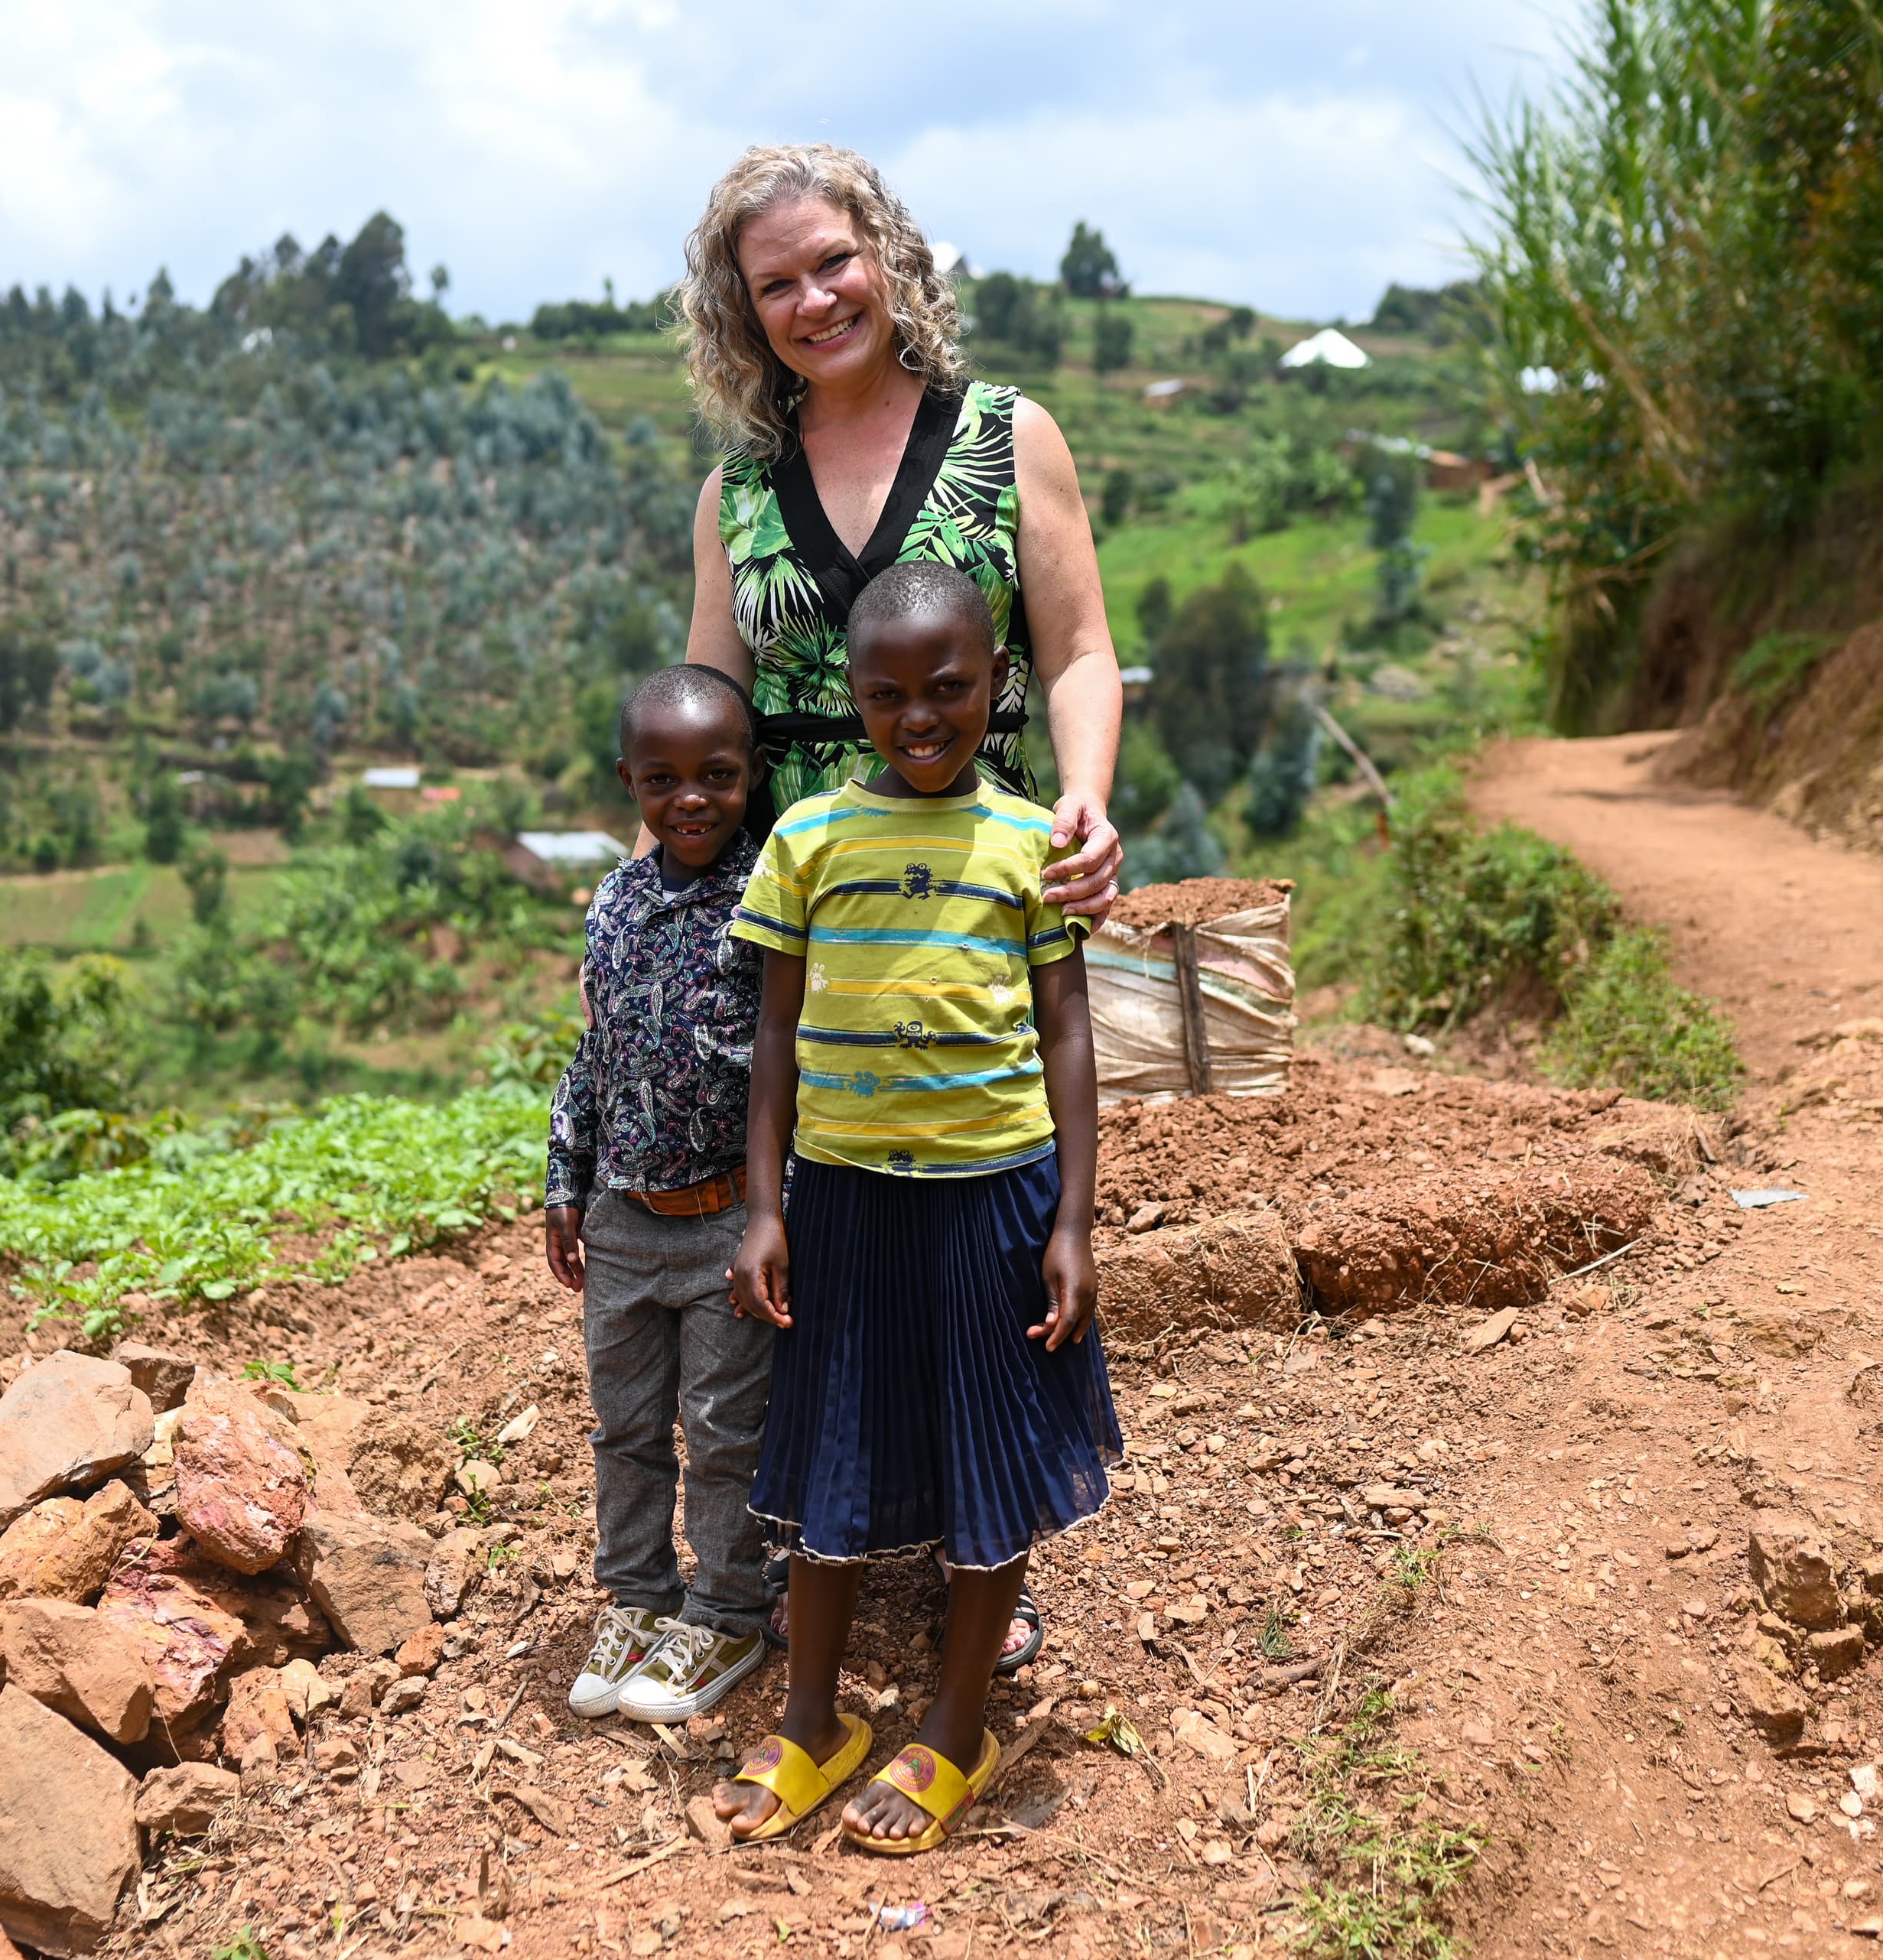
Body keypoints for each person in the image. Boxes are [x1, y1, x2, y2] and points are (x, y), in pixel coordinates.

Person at [676, 139, 1127, 1667]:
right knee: (831, 1226)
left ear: (890, 255)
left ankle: (981, 1537)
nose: (812, 299)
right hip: (805, 909)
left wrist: (1083, 797)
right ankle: (828, 1529)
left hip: (973, 888)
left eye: (832, 261)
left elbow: (1071, 647)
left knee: (980, 1217)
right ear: (744, 319)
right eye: (775, 284)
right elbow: (713, 713)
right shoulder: (737, 498)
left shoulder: (1008, 439)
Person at [712, 563, 1118, 1854]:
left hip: (993, 1198)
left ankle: (954, 1725)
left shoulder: (1029, 844)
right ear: (854, 696)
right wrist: (763, 1204)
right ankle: (816, 1716)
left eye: (950, 689)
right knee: (829, 1454)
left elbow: (1067, 1034)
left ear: (995, 684)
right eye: (888, 696)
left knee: (986, 1458)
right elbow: (775, 1034)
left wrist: (1073, 1222)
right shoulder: (809, 838)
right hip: (840, 1203)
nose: (921, 718)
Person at [546, 664, 779, 1724]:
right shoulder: (617, 900)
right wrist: (566, 1175)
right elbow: (596, 1052)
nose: (691, 798)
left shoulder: (772, 899)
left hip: (728, 1217)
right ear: (629, 781)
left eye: (717, 776)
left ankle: (730, 1610)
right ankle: (639, 1598)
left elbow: (792, 1070)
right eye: (663, 778)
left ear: (751, 775)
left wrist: (777, 1218)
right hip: (624, 1223)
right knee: (625, 1426)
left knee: (725, 1432)